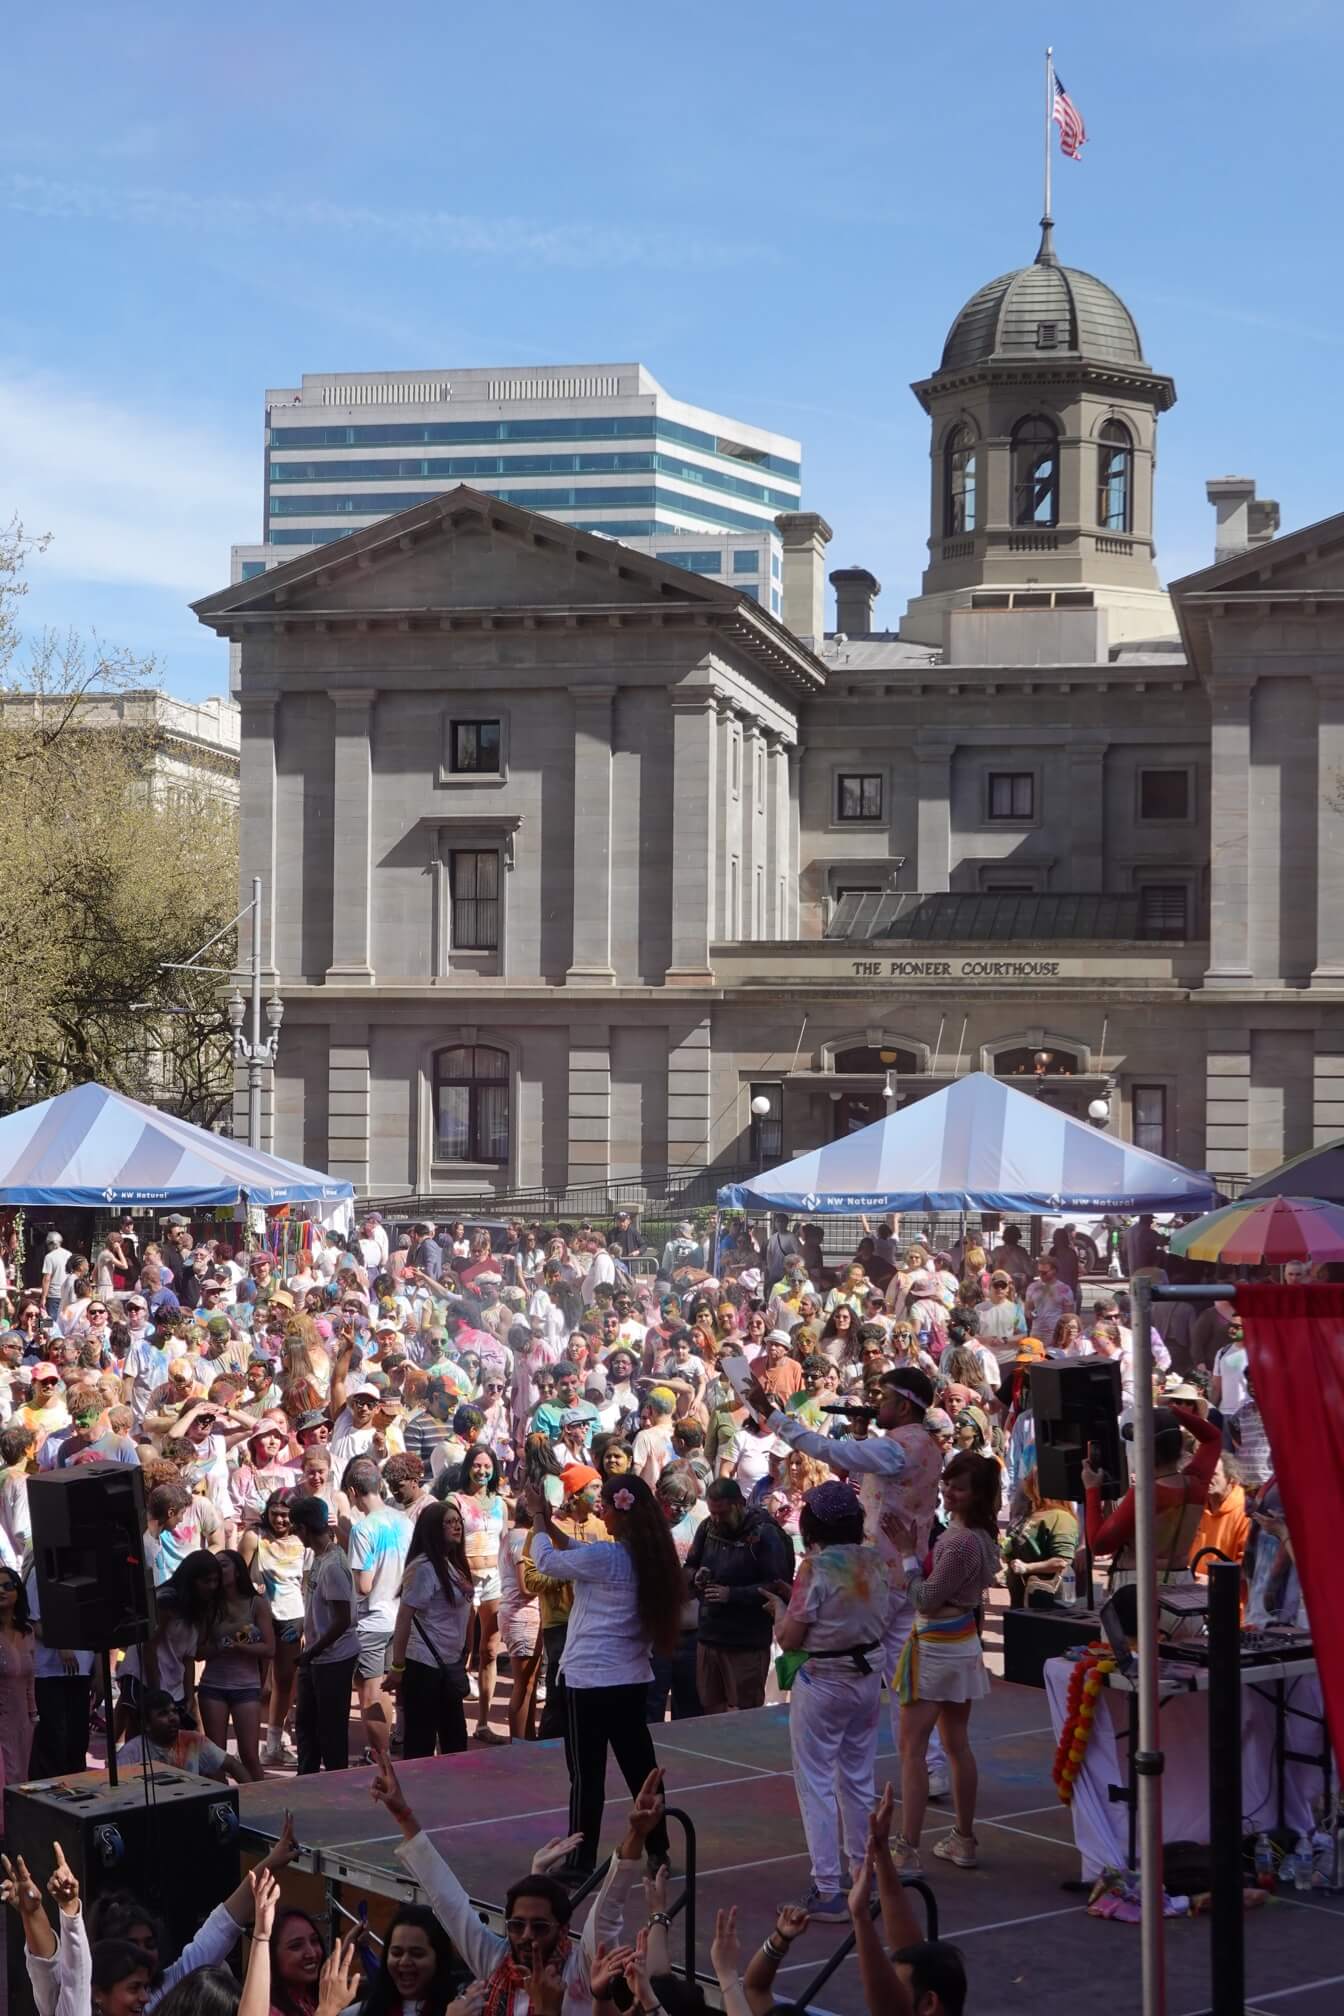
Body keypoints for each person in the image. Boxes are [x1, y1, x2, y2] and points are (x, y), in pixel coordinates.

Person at [744, 1362, 952, 1800]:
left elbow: (832, 1454)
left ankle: (848, 1756)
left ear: (903, 1404)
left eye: (884, 1398)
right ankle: (929, 1766)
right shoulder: (923, 1444)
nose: (876, 1405)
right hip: (905, 1570)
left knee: (844, 1658)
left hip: (875, 1575)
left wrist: (776, 1418)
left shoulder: (897, 1449)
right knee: (903, 1675)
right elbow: (877, 1471)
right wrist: (862, 1436)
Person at [368, 1754, 656, 2013]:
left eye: (539, 1926)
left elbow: (607, 1910)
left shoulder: (581, 1968)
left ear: (564, 1929)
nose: (526, 1935)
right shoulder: (496, 1961)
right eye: (516, 1925)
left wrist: (635, 1835)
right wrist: (402, 1814)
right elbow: (447, 1898)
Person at [523, 1472, 679, 1877]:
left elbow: (546, 1561)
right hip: (629, 1680)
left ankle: (579, 1859)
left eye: (605, 1507)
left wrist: (538, 1518)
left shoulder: (606, 1558)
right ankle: (659, 1849)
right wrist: (552, 1526)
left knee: (587, 1777)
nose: (599, 1513)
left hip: (588, 1681)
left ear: (619, 1511)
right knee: (641, 1768)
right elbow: (576, 1549)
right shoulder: (647, 1557)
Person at [761, 1480, 889, 1922]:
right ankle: (863, 1876)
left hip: (823, 1681)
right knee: (857, 1778)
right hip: (868, 1678)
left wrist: (780, 1609)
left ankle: (827, 1888)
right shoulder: (875, 1559)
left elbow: (791, 1637)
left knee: (815, 1781)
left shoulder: (814, 1569)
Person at [886, 1449, 1003, 1873]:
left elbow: (925, 1598)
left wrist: (907, 1554)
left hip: (935, 1646)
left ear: (976, 1495)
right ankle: (963, 1838)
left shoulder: (960, 1540)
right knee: (956, 1745)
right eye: (948, 1483)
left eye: (958, 1487)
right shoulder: (980, 1536)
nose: (949, 1492)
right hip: (962, 1644)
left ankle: (906, 1847)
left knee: (912, 1749)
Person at [1083, 1401, 1223, 1598]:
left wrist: (1092, 1489)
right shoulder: (1196, 1483)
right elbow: (1213, 1438)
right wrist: (1174, 1413)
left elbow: (1099, 1545)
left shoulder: (1146, 1493)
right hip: (1183, 1587)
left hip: (1138, 1592)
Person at [683, 1477, 793, 1713]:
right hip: (710, 1636)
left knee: (746, 1712)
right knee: (710, 1710)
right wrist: (696, 1576)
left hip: (746, 1641)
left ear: (739, 1504)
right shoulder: (707, 1527)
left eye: (722, 1513)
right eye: (712, 1512)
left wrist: (732, 1595)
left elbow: (778, 1585)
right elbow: (690, 1565)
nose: (716, 1519)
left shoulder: (766, 1534)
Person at [519, 1463, 607, 1744]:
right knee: (560, 1690)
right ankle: (551, 1745)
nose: (600, 1494)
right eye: (594, 1488)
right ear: (575, 1494)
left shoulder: (604, 1527)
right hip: (560, 1622)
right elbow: (531, 1579)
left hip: (595, 1620)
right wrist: (568, 1573)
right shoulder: (546, 1529)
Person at [385, 1499, 473, 1759]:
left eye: (458, 1521)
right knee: (421, 1743)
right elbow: (404, 1618)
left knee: (455, 1740)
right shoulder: (424, 1568)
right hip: (425, 1665)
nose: (457, 1527)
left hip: (449, 1663)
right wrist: (398, 1666)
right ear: (433, 1528)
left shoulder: (452, 1563)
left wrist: (466, 1648)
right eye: (449, 1522)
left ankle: (453, 1795)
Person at [344, 1458, 410, 1759]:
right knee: (384, 1687)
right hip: (400, 1618)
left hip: (372, 1621)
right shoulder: (404, 1521)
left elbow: (364, 1585)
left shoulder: (363, 1529)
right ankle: (381, 1752)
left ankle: (380, 1757)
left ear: (354, 1491)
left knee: (369, 1693)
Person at [291, 1492, 359, 1774]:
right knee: (306, 1723)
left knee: (331, 1730)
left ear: (304, 1528)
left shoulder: (332, 1565)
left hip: (332, 1658)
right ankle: (307, 1776)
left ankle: (335, 1781)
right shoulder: (318, 1557)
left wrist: (313, 1650)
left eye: (296, 1528)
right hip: (317, 1656)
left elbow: (343, 1619)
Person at [196, 1547, 274, 1780]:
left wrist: (240, 1647)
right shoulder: (209, 1605)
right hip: (213, 1686)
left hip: (246, 1687)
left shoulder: (256, 1604)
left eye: (223, 1565)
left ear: (238, 1571)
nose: (218, 1571)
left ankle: (262, 1804)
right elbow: (198, 1652)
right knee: (215, 1757)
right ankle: (222, 1809)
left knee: (249, 1755)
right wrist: (219, 1647)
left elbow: (270, 1648)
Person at [240, 1487, 304, 1765]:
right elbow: (237, 1577)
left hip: (293, 1618)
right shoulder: (254, 1537)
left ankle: (274, 1744)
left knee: (285, 1679)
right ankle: (249, 1747)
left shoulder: (304, 1539)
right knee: (252, 1681)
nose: (280, 1521)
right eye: (275, 1515)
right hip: (259, 1619)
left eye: (286, 1516)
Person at [455, 1442, 509, 1744]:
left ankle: (484, 1723)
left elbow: (504, 1544)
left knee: (489, 1650)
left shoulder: (500, 1503)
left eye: (487, 1466)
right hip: (465, 1580)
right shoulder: (456, 1500)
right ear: (468, 1467)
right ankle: (452, 1723)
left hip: (494, 1581)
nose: (483, 1470)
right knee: (461, 1651)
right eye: (477, 1465)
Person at [345, 1902, 457, 2016]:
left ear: (439, 1958)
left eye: (417, 1954)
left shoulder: (463, 2010)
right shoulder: (362, 2012)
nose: (404, 1962)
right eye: (396, 1953)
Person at [1002, 1468, 1080, 1609]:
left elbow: (1062, 1561)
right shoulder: (1032, 1513)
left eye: (1031, 1480)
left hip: (1046, 1604)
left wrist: (1027, 1568)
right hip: (1022, 1601)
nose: (1025, 1483)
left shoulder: (1061, 1517)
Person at [0, 1564, 36, 1800]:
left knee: (21, 1778)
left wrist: (33, 1715)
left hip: (23, 1721)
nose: (1, 1590)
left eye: (7, 1585)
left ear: (18, 1592)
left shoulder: (27, 1632)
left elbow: (30, 1679)